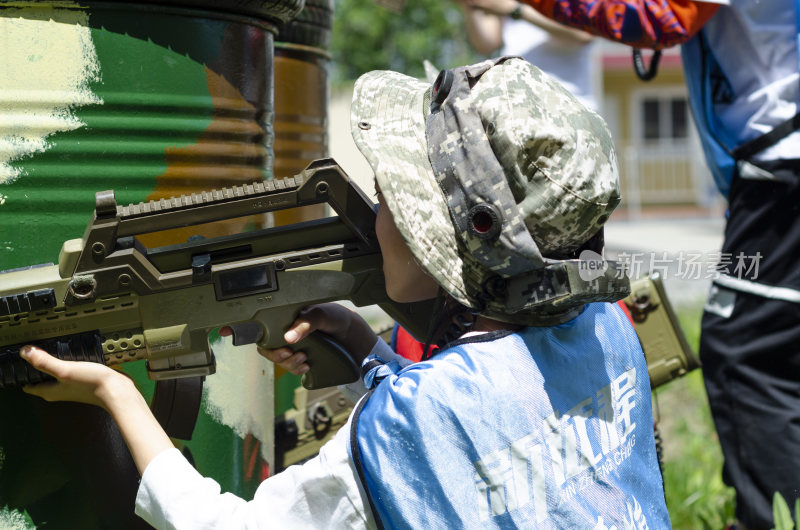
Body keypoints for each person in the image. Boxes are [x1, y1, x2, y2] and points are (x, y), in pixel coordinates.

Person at [18, 57, 671, 528]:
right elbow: (495, 423)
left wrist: (115, 392)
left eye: (393, 200)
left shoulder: (403, 426)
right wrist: (367, 351)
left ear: (434, 240)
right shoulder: (608, 330)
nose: (374, 215)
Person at [489, 2, 797, 528]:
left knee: (742, 350)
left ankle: (771, 516)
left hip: (781, 163)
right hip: (771, 163)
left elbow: (659, 17)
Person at [456, 0, 598, 111]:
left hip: (568, 106)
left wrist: (517, 11)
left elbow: (584, 33)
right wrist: (471, 5)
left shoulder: (515, 8)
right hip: (517, 106)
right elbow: (486, 45)